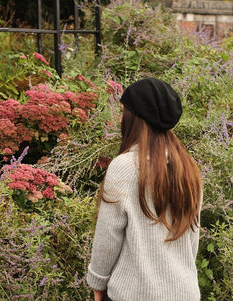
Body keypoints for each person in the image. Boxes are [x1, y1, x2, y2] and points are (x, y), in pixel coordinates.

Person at [86, 78, 203, 301]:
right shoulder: (188, 169)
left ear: (136, 118)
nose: (120, 119)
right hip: (185, 293)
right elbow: (191, 240)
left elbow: (108, 238)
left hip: (135, 294)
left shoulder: (125, 167)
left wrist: (98, 284)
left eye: (123, 112)